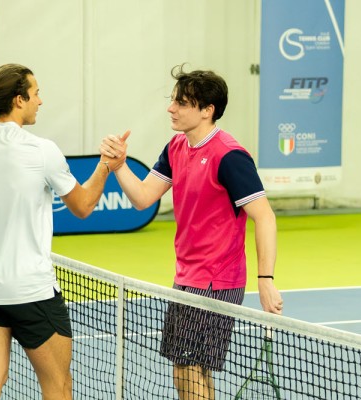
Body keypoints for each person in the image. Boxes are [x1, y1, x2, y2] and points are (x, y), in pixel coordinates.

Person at [100, 64, 283, 399]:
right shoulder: (176, 147)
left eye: (181, 103)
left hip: (217, 280)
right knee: (191, 368)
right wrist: (120, 165)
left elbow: (265, 217)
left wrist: (265, 279)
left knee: (187, 368)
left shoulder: (229, 156)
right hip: (186, 276)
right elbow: (143, 198)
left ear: (207, 111)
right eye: (173, 101)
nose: (171, 108)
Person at [0, 63, 128, 400]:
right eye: (36, 94)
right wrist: (106, 165)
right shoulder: (41, 150)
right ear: (19, 99)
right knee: (58, 385)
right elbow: (83, 206)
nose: (40, 101)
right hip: (31, 292)